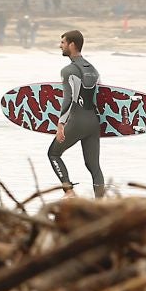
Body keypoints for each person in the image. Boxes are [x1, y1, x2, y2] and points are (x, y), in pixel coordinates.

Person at [47, 30, 106, 197]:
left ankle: (69, 191)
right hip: (93, 122)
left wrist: (61, 125)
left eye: (63, 43)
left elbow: (69, 99)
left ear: (72, 45)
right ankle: (100, 205)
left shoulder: (68, 71)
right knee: (94, 166)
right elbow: (100, 97)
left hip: (77, 121)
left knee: (53, 153)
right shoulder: (93, 69)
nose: (61, 46)